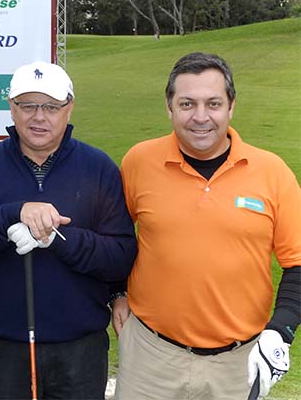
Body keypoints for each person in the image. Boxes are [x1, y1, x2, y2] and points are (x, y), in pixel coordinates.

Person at [0, 61, 137, 399]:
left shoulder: (98, 168)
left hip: (80, 348)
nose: (39, 117)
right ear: (11, 108)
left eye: (50, 106)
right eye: (27, 105)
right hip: (3, 347)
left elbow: (120, 257)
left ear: (69, 108)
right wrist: (10, 215)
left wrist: (57, 237)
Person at [116, 52, 301, 399]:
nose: (200, 117)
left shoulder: (273, 172)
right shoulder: (139, 161)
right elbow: (116, 237)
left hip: (239, 362)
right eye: (187, 103)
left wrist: (281, 330)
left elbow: (298, 263)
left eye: (213, 103)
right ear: (169, 107)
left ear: (231, 107)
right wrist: (117, 292)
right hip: (150, 356)